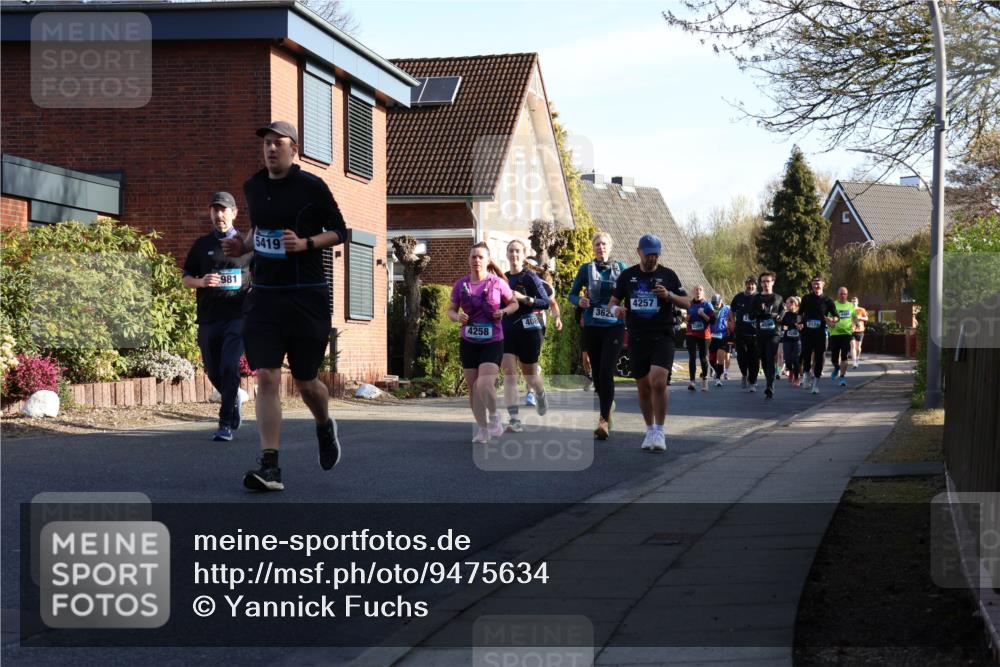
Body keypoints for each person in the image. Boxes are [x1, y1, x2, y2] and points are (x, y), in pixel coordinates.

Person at [223, 121, 347, 492]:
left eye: (278, 143)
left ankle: (324, 424)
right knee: (267, 376)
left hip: (307, 295)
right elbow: (259, 229)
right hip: (265, 296)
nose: (270, 149)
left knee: (307, 382)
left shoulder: (312, 186)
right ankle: (270, 466)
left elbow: (341, 231)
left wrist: (305, 244)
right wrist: (242, 247)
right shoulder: (253, 186)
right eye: (265, 144)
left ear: (294, 149)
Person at [608, 234, 690, 452]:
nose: (653, 259)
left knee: (658, 380)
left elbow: (689, 302)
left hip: (663, 334)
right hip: (637, 337)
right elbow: (612, 303)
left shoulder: (668, 275)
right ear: (639, 252)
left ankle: (660, 431)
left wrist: (669, 295)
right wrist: (617, 311)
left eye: (656, 254)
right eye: (649, 254)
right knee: (643, 387)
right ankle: (650, 430)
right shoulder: (628, 276)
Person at [182, 191, 251, 442]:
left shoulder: (246, 244)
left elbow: (262, 276)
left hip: (238, 316)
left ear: (234, 213)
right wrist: (201, 282)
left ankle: (225, 423)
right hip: (210, 317)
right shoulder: (202, 245)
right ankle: (233, 400)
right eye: (215, 210)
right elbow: (186, 278)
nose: (219, 214)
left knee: (229, 364)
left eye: (223, 210)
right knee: (212, 369)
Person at [448, 243, 518, 444]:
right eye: (473, 257)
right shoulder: (461, 285)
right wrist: (457, 317)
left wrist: (503, 312)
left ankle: (494, 416)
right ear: (469, 260)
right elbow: (451, 310)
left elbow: (514, 303)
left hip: (492, 341)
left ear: (487, 261)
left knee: (484, 383)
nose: (476, 260)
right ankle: (483, 428)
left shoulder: (498, 283)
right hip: (468, 341)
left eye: (480, 257)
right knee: (472, 387)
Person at [569, 232, 627, 440]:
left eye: (604, 244)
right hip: (593, 325)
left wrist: (626, 308)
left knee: (606, 371)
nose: (600, 247)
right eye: (597, 244)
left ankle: (603, 420)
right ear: (593, 248)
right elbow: (572, 294)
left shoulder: (621, 268)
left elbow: (631, 291)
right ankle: (607, 404)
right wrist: (579, 302)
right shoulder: (586, 269)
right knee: (598, 374)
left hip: (614, 326)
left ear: (610, 247)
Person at [501, 241, 550, 432]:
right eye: (511, 251)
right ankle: (514, 419)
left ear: (523, 255)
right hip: (507, 332)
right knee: (509, 375)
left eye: (517, 251)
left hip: (529, 332)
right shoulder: (503, 278)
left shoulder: (529, 277)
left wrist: (523, 299)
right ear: (507, 254)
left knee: (530, 376)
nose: (514, 254)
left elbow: (544, 302)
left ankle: (539, 392)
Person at [522, 257, 562, 408]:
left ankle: (531, 393)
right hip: (519, 321)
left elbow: (553, 304)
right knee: (522, 361)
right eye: (525, 266)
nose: (528, 269)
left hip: (537, 320)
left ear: (536, 270)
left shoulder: (544, 286)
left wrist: (557, 317)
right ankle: (535, 373)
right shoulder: (515, 282)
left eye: (531, 267)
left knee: (532, 357)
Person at [797, 276, 839, 395]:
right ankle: (806, 373)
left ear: (823, 284)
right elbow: (800, 313)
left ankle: (815, 383)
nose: (816, 285)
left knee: (819, 357)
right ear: (811, 285)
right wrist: (799, 323)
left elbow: (836, 316)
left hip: (820, 332)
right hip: (807, 332)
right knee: (806, 354)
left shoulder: (828, 300)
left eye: (818, 283)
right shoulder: (806, 298)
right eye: (814, 283)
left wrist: (832, 320)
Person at [749, 271, 784, 399]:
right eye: (763, 281)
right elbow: (751, 315)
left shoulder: (778, 298)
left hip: (774, 333)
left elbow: (782, 311)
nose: (765, 284)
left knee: (770, 357)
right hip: (761, 333)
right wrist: (760, 312)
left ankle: (770, 386)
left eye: (768, 281)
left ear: (773, 282)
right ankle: (769, 381)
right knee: (764, 359)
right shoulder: (756, 298)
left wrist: (778, 316)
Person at [728, 276, 759, 391]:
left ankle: (752, 381)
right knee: (741, 357)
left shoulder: (759, 297)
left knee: (754, 359)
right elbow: (731, 310)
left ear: (756, 285)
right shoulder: (739, 297)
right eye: (748, 284)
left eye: (753, 284)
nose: (750, 286)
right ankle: (744, 374)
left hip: (755, 334)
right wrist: (732, 322)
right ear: (745, 284)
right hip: (741, 333)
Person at [685, 285, 714, 391]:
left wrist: (703, 315)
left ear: (703, 292)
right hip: (691, 333)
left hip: (704, 334)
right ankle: (692, 382)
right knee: (692, 356)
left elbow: (712, 321)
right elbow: (687, 319)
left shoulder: (707, 304)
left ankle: (705, 381)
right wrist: (686, 319)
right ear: (693, 292)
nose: (698, 292)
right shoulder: (690, 304)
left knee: (702, 357)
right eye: (696, 290)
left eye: (700, 290)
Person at [829, 286, 856, 387]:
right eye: (841, 293)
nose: (842, 296)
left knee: (844, 356)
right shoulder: (833, 305)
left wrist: (855, 324)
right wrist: (830, 323)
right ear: (837, 294)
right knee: (834, 358)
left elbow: (854, 317)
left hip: (846, 333)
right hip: (834, 334)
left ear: (847, 295)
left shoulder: (850, 305)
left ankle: (842, 378)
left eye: (844, 294)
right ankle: (836, 367)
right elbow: (827, 318)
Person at [708, 293, 731, 387]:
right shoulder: (709, 309)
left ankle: (718, 378)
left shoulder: (727, 309)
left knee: (721, 358)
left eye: (717, 303)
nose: (716, 305)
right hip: (712, 337)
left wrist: (731, 327)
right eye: (714, 303)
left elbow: (732, 319)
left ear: (721, 301)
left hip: (723, 336)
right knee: (712, 360)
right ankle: (717, 371)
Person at [781, 296, 802, 386]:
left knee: (796, 360)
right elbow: (783, 325)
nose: (786, 305)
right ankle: (791, 370)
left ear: (793, 303)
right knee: (788, 359)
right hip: (787, 340)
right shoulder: (786, 314)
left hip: (797, 340)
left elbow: (802, 326)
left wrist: (800, 326)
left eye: (788, 303)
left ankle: (796, 379)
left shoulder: (800, 315)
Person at [851, 296, 868, 368]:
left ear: (857, 302)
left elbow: (866, 318)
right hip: (851, 330)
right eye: (853, 301)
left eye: (855, 301)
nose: (854, 302)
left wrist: (860, 317)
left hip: (860, 330)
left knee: (858, 348)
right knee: (853, 346)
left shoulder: (862, 310)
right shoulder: (849, 310)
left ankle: (857, 359)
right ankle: (854, 362)